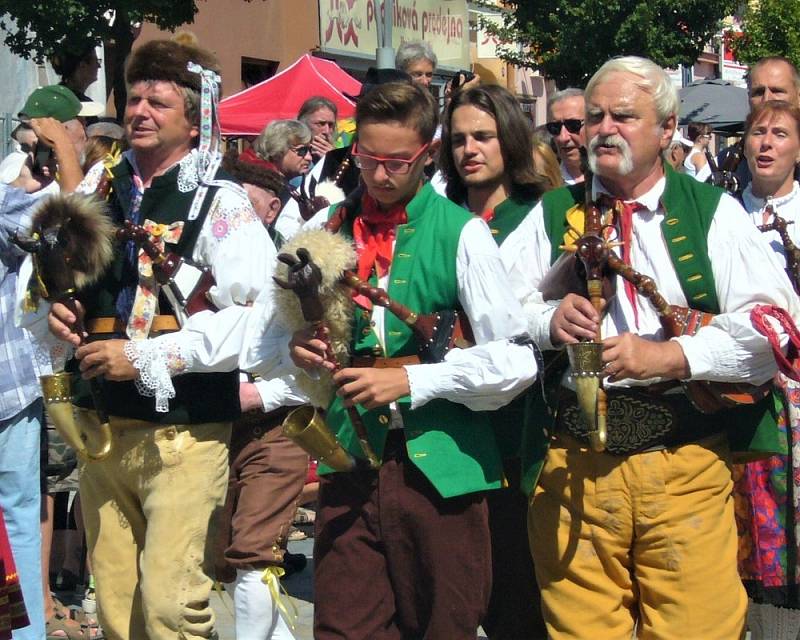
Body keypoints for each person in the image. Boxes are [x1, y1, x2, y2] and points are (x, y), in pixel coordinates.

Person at [517, 55, 800, 639]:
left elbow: (775, 329)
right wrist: (548, 321)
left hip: (684, 462)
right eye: (594, 116)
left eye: (623, 115)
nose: (602, 129)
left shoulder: (712, 213)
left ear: (667, 129)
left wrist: (672, 357)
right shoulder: (550, 213)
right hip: (574, 469)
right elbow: (496, 314)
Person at [290, 81, 539, 639]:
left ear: (427, 155)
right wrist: (297, 349)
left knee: (442, 627)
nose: (380, 175)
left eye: (397, 162)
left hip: (441, 472)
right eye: (368, 159)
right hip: (349, 462)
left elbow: (517, 361)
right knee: (344, 629)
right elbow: (268, 346)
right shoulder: (324, 230)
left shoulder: (463, 232)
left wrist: (413, 380)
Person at [43, 38, 274, 640]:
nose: (140, 111)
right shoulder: (97, 186)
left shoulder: (220, 202)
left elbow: (253, 320)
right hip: (102, 429)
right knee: (118, 608)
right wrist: (60, 312)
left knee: (173, 607)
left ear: (195, 118)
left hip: (186, 433)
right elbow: (49, 279)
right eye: (135, 97)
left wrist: (144, 355)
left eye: (159, 102)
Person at [439, 83, 547, 639]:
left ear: (509, 140)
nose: (469, 149)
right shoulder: (439, 219)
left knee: (516, 583)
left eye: (482, 136)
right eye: (458, 139)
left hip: (522, 419)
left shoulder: (541, 216)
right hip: (449, 418)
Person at [734, 99, 800, 639]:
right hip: (747, 391)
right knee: (749, 532)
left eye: (779, 133)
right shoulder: (723, 216)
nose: (766, 143)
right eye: (758, 133)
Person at [0, 184, 48, 640]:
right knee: (18, 515)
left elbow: (49, 228)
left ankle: (26, 633)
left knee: (18, 516)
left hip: (9, 384)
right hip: (11, 383)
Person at [546, 88, 586, 185]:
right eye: (555, 127)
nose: (563, 137)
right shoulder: (546, 186)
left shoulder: (618, 181)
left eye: (573, 125)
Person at [297, 97, 337, 165]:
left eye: (330, 125)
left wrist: (333, 161)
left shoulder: (341, 157)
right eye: (321, 124)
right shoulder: (290, 153)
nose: (326, 131)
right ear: (303, 124)